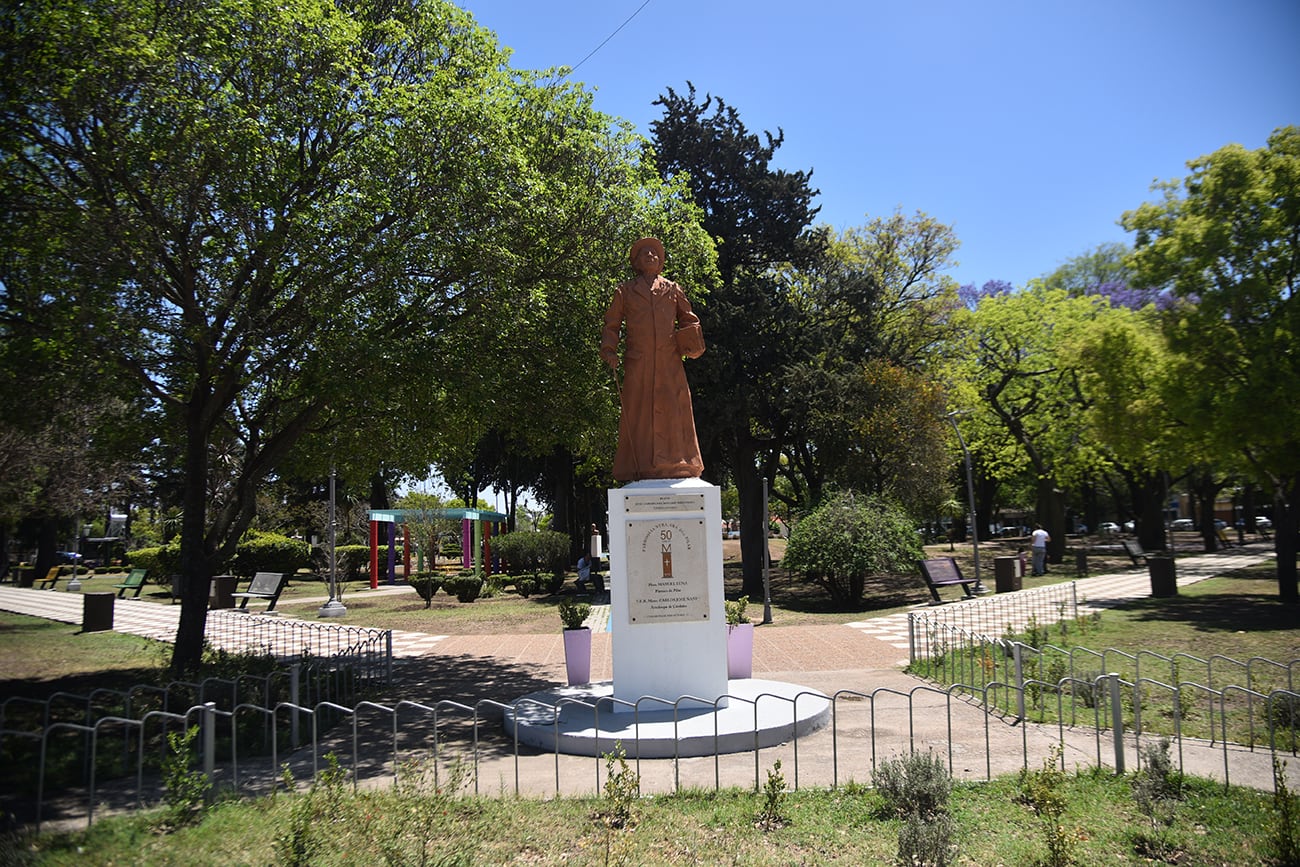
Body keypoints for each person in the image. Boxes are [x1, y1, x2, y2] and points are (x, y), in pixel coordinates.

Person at [600, 237, 706, 481]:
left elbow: (689, 319)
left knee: (674, 408)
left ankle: (680, 463)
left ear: (660, 262)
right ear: (636, 262)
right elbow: (612, 324)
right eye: (644, 253)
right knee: (639, 412)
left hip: (669, 361)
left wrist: (692, 341)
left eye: (654, 253)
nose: (650, 255)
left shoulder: (672, 289)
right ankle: (639, 465)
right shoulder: (625, 291)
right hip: (639, 362)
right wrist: (609, 350)